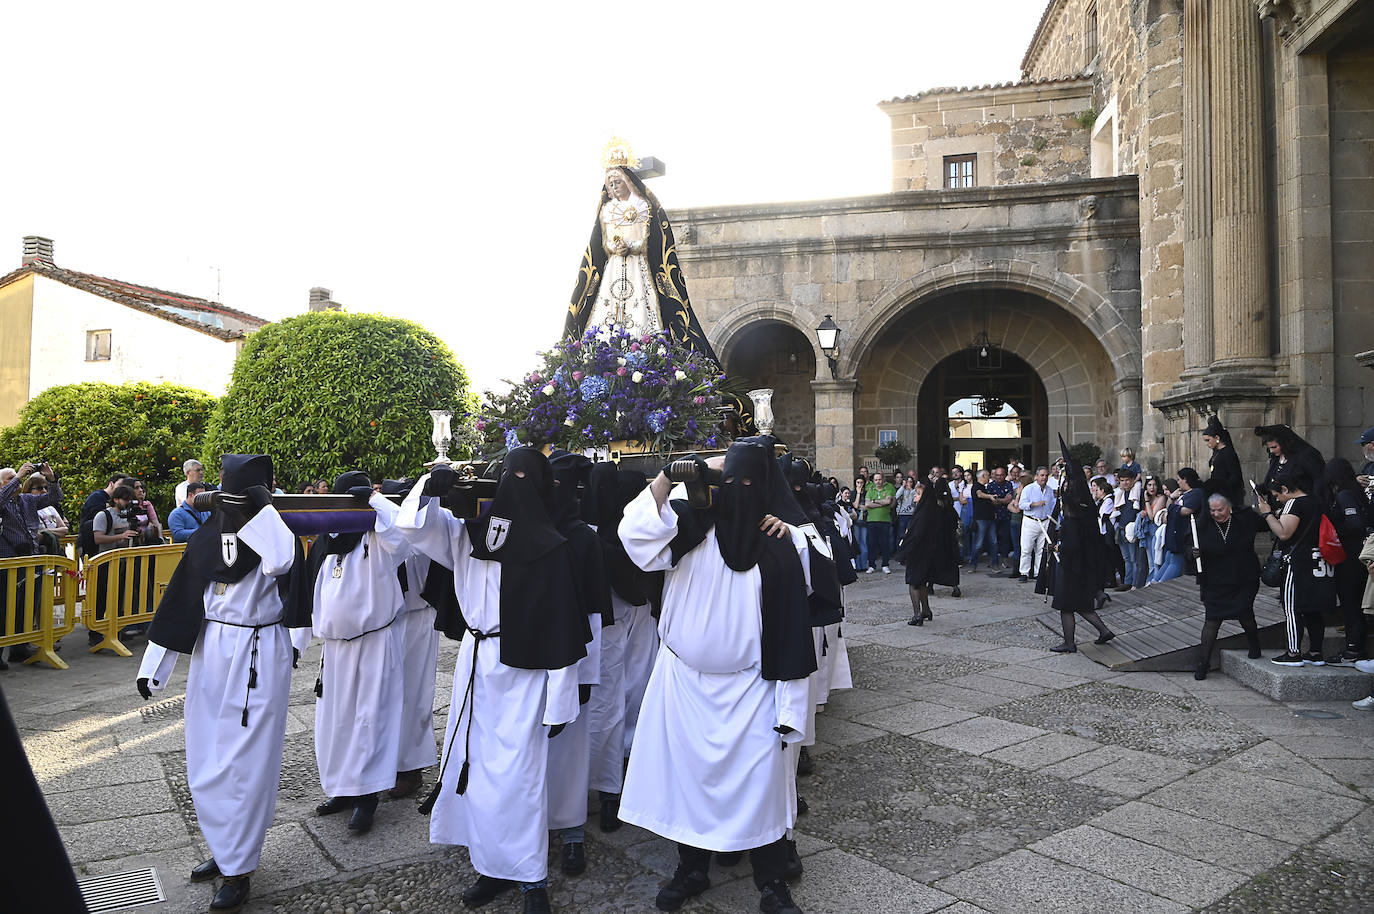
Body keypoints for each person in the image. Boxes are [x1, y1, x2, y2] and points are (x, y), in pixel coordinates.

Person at [618, 441, 814, 914]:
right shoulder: (686, 530)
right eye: (727, 482)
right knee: (687, 784)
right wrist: (669, 477)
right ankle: (691, 870)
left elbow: (795, 623)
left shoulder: (779, 544)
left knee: (762, 787)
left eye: (747, 484)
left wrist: (791, 708)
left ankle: (770, 883)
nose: (736, 492)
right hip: (685, 683)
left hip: (753, 688)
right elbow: (635, 534)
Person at [396, 449, 590, 914]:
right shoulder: (468, 534)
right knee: (475, 767)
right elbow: (413, 526)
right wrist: (430, 488)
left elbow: (561, 625)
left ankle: (529, 878)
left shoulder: (551, 546)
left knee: (519, 775)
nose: (516, 484)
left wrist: (561, 701)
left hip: (523, 669)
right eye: (510, 475)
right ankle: (490, 865)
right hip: (477, 658)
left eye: (526, 477)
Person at [135, 455, 309, 914]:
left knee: (246, 760)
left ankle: (239, 868)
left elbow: (284, 561)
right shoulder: (207, 537)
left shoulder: (275, 535)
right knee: (207, 753)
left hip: (257, 650)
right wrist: (155, 664)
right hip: (212, 649)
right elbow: (182, 600)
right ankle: (225, 847)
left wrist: (262, 509)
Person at [304, 471, 410, 836]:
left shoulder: (378, 537)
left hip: (373, 641)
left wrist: (376, 501)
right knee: (336, 723)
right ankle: (343, 789)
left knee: (370, 719)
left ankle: (367, 797)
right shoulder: (327, 540)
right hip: (334, 649)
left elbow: (402, 538)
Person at [566, 141, 714, 359]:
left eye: (618, 182)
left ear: (628, 181)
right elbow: (602, 242)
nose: (614, 187)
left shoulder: (643, 206)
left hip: (638, 265)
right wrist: (614, 247)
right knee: (609, 307)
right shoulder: (607, 210)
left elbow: (649, 240)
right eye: (611, 183)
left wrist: (632, 246)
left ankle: (645, 347)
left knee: (641, 306)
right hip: (614, 267)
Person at [543, 451, 611, 877]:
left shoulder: (583, 538)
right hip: (525, 661)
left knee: (568, 751)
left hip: (571, 660)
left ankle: (571, 834)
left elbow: (593, 612)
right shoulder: (521, 531)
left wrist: (586, 674)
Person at [581, 462, 655, 833]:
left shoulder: (596, 529)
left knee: (624, 693)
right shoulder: (604, 532)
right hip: (614, 617)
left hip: (626, 614)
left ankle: (621, 771)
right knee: (619, 695)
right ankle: (612, 779)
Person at [381, 478, 440, 802]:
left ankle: (411, 768)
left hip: (417, 615)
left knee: (414, 695)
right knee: (387, 695)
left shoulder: (425, 531)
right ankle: (386, 762)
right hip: (388, 620)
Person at [1261, 468, 1336, 666]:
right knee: (1313, 609)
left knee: (1292, 608)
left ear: (1285, 489)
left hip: (1298, 562)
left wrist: (1268, 514)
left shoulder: (1294, 503)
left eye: (1278, 495)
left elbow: (1284, 533)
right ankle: (1315, 652)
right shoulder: (1319, 501)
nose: (1277, 500)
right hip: (1319, 560)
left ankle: (1293, 653)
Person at [1049, 441, 1116, 652]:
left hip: (1073, 565)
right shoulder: (1084, 506)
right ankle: (1104, 631)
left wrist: (1060, 547)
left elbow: (1073, 541)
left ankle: (1069, 643)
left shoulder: (1074, 511)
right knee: (1080, 605)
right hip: (1082, 563)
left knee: (1066, 605)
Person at [1189, 493, 1264, 679]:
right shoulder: (1203, 524)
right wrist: (1194, 553)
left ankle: (1254, 646)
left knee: (1246, 614)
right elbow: (1190, 546)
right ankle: (1203, 662)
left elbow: (1265, 525)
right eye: (1213, 510)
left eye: (1220, 509)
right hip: (1215, 580)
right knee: (1212, 620)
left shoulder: (1244, 519)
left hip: (1242, 578)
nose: (1216, 514)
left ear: (1229, 507)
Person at [0, 462, 64, 664]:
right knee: (5, 608)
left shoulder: (27, 500)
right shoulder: (3, 501)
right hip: (9, 563)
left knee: (26, 606)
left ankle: (20, 648)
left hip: (32, 559)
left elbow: (54, 499)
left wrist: (51, 479)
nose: (16, 480)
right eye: (9, 479)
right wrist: (18, 476)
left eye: (15, 478)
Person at [1324, 459, 1373, 664]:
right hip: (1358, 555)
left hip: (1351, 557)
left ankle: (1353, 649)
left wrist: (1334, 528)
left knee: (1350, 604)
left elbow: (1355, 524)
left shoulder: (1345, 495)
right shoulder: (1356, 492)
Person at [898, 479, 960, 625]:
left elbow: (916, 534)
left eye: (918, 494)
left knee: (913, 583)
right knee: (923, 582)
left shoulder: (924, 512)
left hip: (919, 552)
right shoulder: (937, 509)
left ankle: (917, 614)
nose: (915, 497)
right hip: (931, 552)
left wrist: (905, 548)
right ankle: (926, 610)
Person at [1257, 424, 1328, 507]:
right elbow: (1274, 480)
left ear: (1284, 442)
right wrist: (1261, 489)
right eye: (1269, 448)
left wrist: (1313, 504)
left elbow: (1320, 481)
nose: (1271, 451)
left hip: (1301, 508)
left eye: (1274, 447)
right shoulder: (1276, 458)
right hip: (1280, 509)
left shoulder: (1306, 455)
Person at [1017, 467, 1056, 584]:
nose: (1044, 478)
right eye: (1042, 475)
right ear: (1037, 476)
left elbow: (1051, 505)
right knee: (1026, 548)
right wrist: (1034, 504)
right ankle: (1024, 572)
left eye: (1046, 475)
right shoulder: (1029, 488)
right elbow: (1021, 505)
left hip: (1044, 521)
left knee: (1041, 549)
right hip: (1031, 520)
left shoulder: (1049, 490)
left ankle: (1038, 573)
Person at [1113, 467, 1146, 590]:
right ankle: (1127, 581)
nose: (1125, 482)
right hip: (1121, 528)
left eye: (1128, 480)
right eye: (1122, 480)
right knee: (1126, 558)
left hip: (1132, 529)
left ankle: (1135, 583)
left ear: (1133, 480)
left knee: (1134, 558)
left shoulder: (1138, 492)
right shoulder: (1119, 494)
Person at [1202, 416, 1245, 507]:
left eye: (1208, 440)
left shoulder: (1228, 453)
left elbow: (1235, 475)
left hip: (1227, 494)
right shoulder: (1216, 452)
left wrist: (1222, 487)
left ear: (1217, 438)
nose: (1206, 444)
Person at [861, 471, 896, 573]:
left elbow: (888, 501)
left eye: (879, 479)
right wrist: (882, 503)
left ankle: (885, 564)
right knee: (872, 543)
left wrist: (874, 501)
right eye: (876, 480)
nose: (878, 482)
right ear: (873, 481)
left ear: (883, 479)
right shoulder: (870, 490)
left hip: (885, 520)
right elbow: (867, 504)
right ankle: (872, 565)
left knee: (884, 543)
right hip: (872, 520)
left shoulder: (888, 488)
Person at [985, 466, 1016, 573]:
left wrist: (999, 500)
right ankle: (992, 559)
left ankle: (1005, 559)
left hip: (1006, 516)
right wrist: (1004, 500)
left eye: (1001, 475)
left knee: (1006, 538)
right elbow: (991, 501)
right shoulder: (990, 485)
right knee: (993, 539)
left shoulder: (1009, 484)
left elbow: (1009, 499)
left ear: (1005, 474)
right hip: (994, 516)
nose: (999, 477)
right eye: (997, 475)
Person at [968, 469, 1000, 572]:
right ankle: (973, 564)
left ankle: (995, 564)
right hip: (980, 519)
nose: (989, 477)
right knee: (978, 544)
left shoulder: (987, 487)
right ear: (982, 476)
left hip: (990, 518)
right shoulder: (976, 486)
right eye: (987, 475)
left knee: (994, 543)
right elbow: (979, 494)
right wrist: (990, 496)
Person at [849, 476, 869, 573]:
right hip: (856, 521)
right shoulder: (852, 494)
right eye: (858, 482)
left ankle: (863, 565)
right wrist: (857, 493)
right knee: (857, 542)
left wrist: (864, 506)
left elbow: (868, 506)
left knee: (864, 543)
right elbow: (855, 505)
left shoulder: (867, 493)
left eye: (861, 482)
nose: (860, 484)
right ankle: (856, 565)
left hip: (865, 521)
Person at [894, 475, 918, 547]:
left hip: (911, 515)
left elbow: (916, 498)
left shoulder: (914, 491)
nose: (908, 483)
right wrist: (902, 486)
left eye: (910, 482)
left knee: (910, 534)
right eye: (907, 482)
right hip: (902, 515)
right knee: (901, 534)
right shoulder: (902, 491)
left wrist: (911, 489)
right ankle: (899, 551)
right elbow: (896, 496)